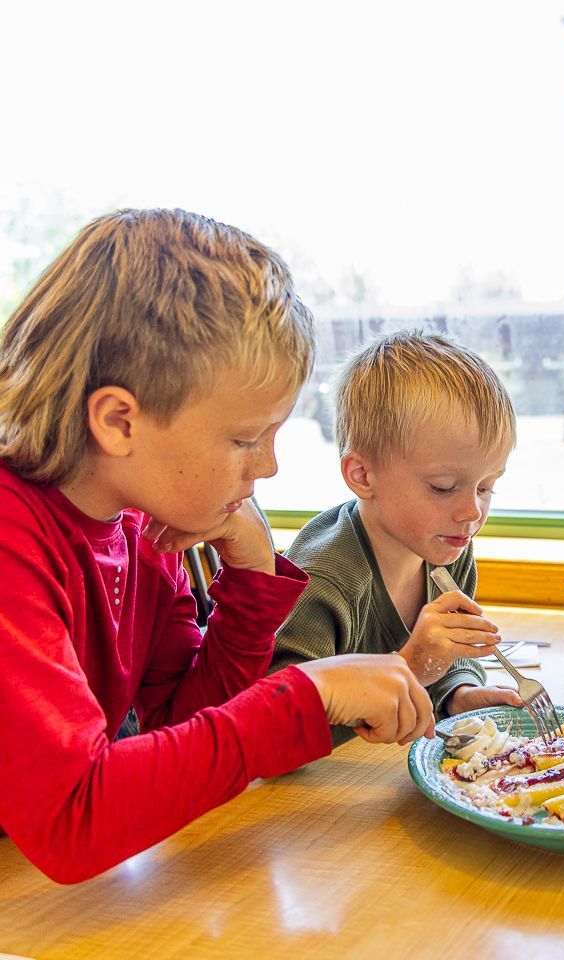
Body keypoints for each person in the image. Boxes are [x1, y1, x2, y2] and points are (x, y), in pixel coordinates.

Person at [0, 209, 435, 884]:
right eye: (243, 439)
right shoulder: (11, 537)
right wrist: (305, 696)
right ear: (120, 421)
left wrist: (254, 582)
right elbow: (71, 817)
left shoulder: (143, 530)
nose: (267, 467)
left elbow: (185, 719)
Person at [271, 332, 521, 746]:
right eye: (443, 487)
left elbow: (445, 661)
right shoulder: (323, 578)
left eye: (485, 487)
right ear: (362, 476)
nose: (472, 512)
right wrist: (410, 666)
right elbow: (276, 727)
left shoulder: (446, 548)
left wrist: (457, 694)